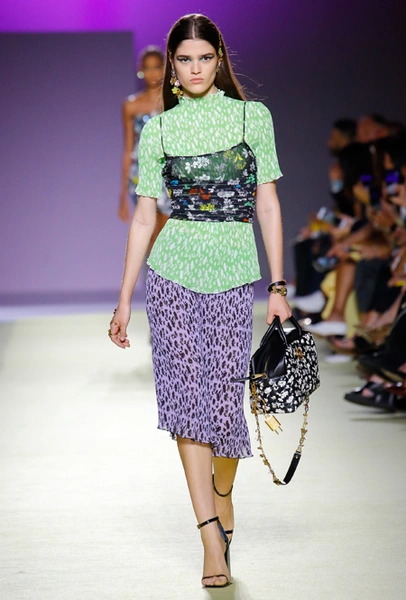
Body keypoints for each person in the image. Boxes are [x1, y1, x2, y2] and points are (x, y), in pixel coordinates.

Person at [108, 13, 291, 588]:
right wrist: (124, 297)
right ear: (171, 65)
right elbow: (145, 217)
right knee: (187, 402)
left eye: (204, 58)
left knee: (224, 401)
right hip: (172, 276)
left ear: (219, 59)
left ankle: (222, 490)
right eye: (184, 60)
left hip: (234, 274)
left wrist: (279, 287)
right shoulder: (159, 128)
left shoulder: (252, 117)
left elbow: (267, 203)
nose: (194, 69)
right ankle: (210, 533)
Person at [118, 46, 171, 251]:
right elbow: (128, 150)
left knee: (165, 233)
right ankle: (154, 273)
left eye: (157, 67)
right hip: (141, 174)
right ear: (141, 70)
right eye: (147, 68)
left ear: (164, 69)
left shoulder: (173, 102)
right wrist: (122, 195)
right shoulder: (131, 105)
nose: (152, 73)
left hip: (167, 172)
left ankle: (163, 271)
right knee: (150, 234)